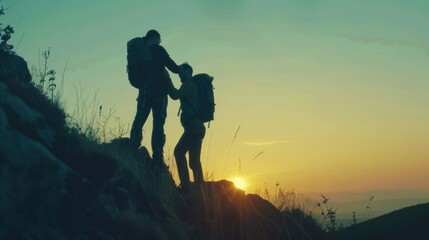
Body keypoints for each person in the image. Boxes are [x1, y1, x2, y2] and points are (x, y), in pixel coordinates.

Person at [129, 29, 181, 166]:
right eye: (159, 38)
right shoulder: (158, 50)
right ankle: (157, 157)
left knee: (139, 120)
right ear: (154, 37)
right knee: (158, 125)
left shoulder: (140, 51)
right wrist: (184, 71)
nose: (160, 41)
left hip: (144, 92)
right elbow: (173, 67)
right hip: (159, 93)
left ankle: (132, 147)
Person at [168, 63, 205, 191]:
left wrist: (166, 81)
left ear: (189, 72)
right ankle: (190, 187)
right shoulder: (191, 85)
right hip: (193, 128)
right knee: (184, 156)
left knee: (191, 159)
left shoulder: (188, 85)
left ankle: (195, 188)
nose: (180, 75)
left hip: (194, 128)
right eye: (179, 73)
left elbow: (175, 95)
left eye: (182, 72)